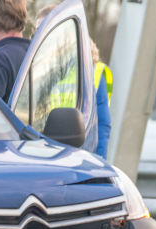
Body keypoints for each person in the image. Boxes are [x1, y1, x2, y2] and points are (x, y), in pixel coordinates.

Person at [35, 4, 112, 158]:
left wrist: (99, 162)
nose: (40, 35)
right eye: (37, 30)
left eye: (45, 29)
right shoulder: (37, 70)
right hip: (45, 155)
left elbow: (102, 126)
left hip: (80, 158)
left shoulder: (93, 71)